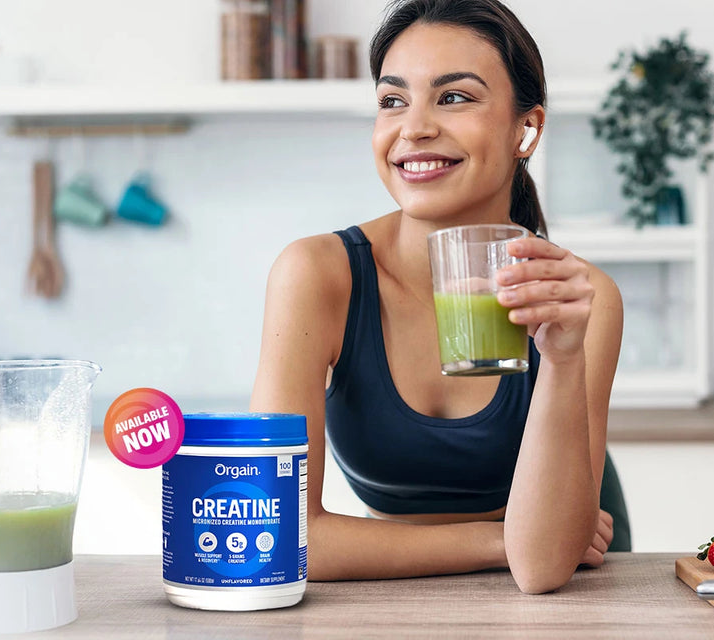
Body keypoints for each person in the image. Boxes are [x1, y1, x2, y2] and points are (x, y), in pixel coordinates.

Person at [250, 0, 627, 594]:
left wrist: (560, 357)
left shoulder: (579, 299)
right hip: (406, 589)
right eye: (392, 100)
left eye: (454, 97)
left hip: (561, 599)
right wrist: (493, 537)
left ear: (525, 128)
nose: (414, 127)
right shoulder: (318, 275)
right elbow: (273, 533)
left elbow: (544, 567)